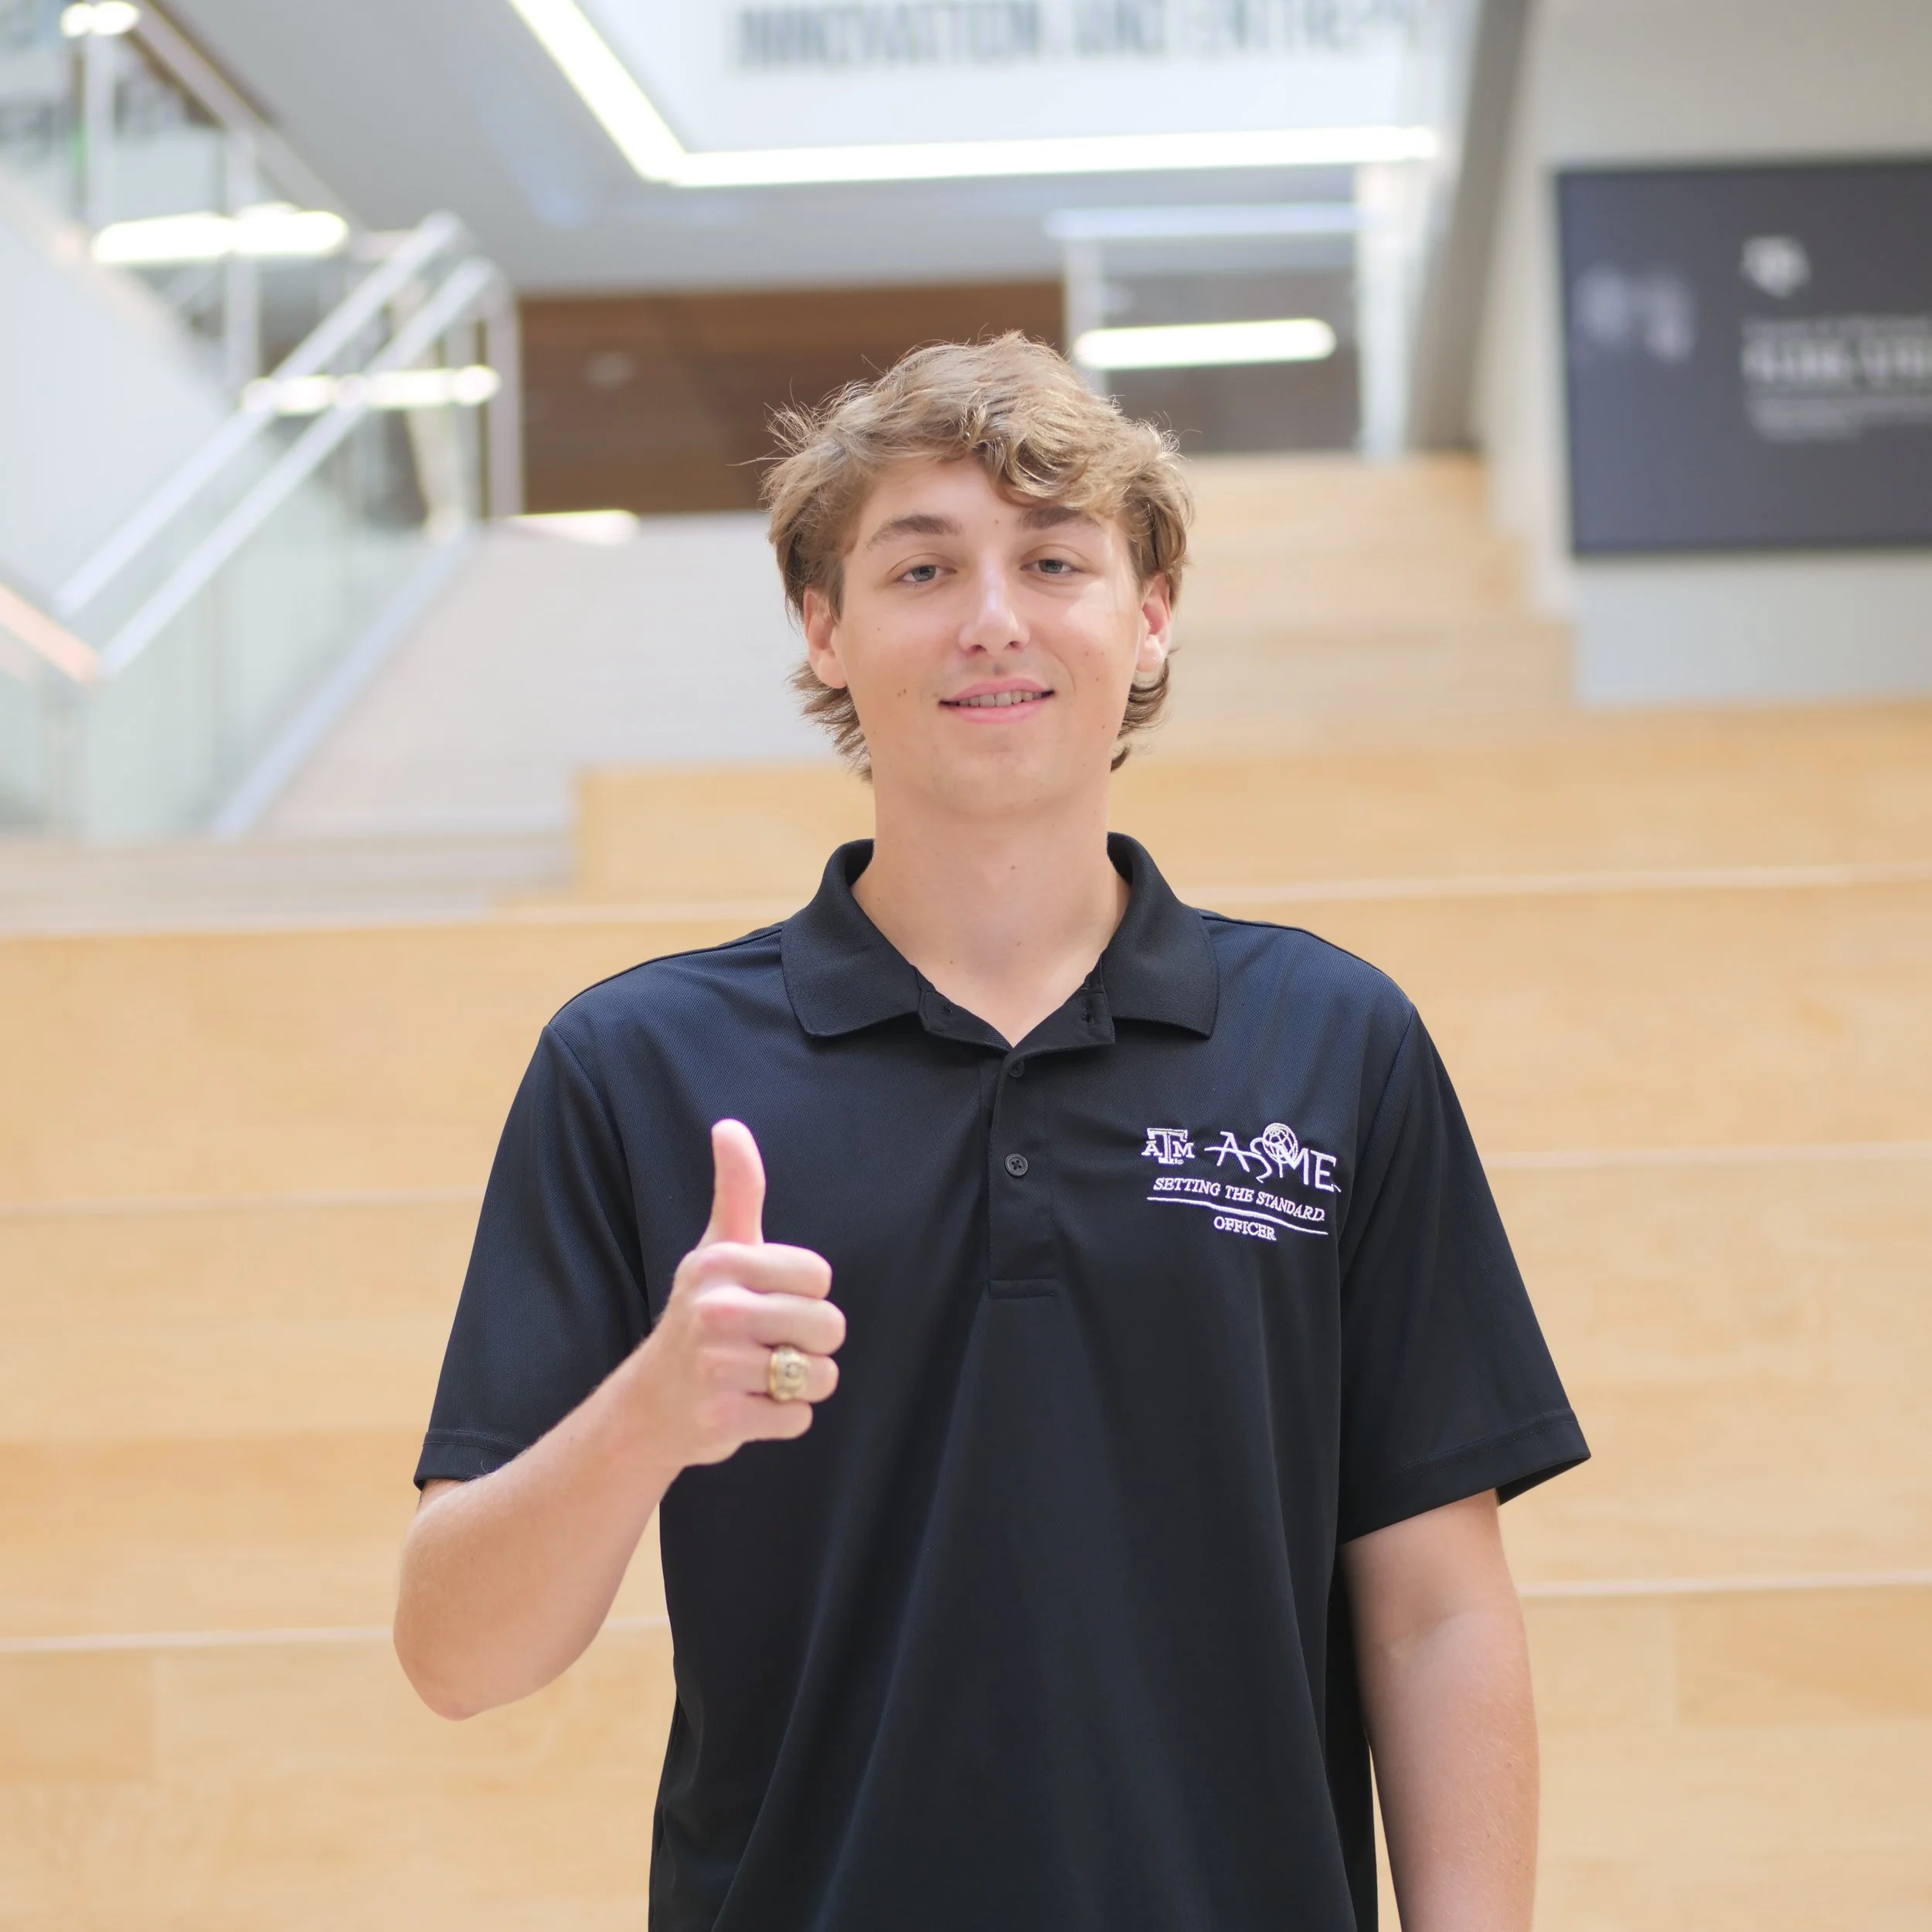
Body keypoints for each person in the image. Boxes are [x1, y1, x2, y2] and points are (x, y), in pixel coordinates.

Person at [395, 335, 1588, 1932]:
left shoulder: (1331, 1041)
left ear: (1147, 612)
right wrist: (648, 1413)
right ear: (822, 627)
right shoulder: (634, 1065)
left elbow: (1435, 1611)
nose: (992, 619)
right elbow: (457, 1652)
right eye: (920, 565)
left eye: (1052, 559)